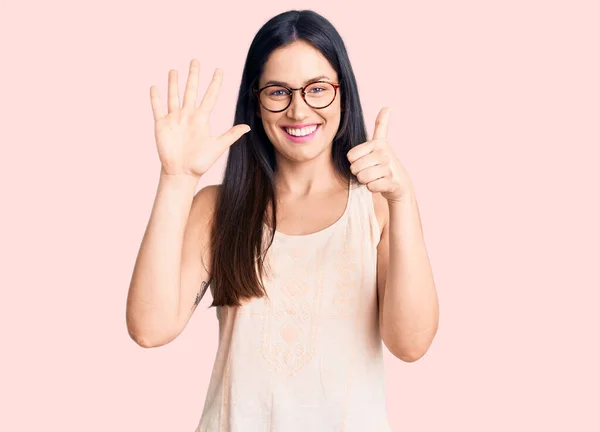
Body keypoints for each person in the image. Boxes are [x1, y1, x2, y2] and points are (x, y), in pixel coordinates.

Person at [126, 9, 439, 432]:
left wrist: (404, 200)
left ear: (343, 92)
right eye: (278, 92)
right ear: (255, 101)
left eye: (317, 89)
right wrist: (177, 179)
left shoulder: (377, 207)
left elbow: (411, 344)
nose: (298, 109)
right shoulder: (218, 209)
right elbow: (149, 328)